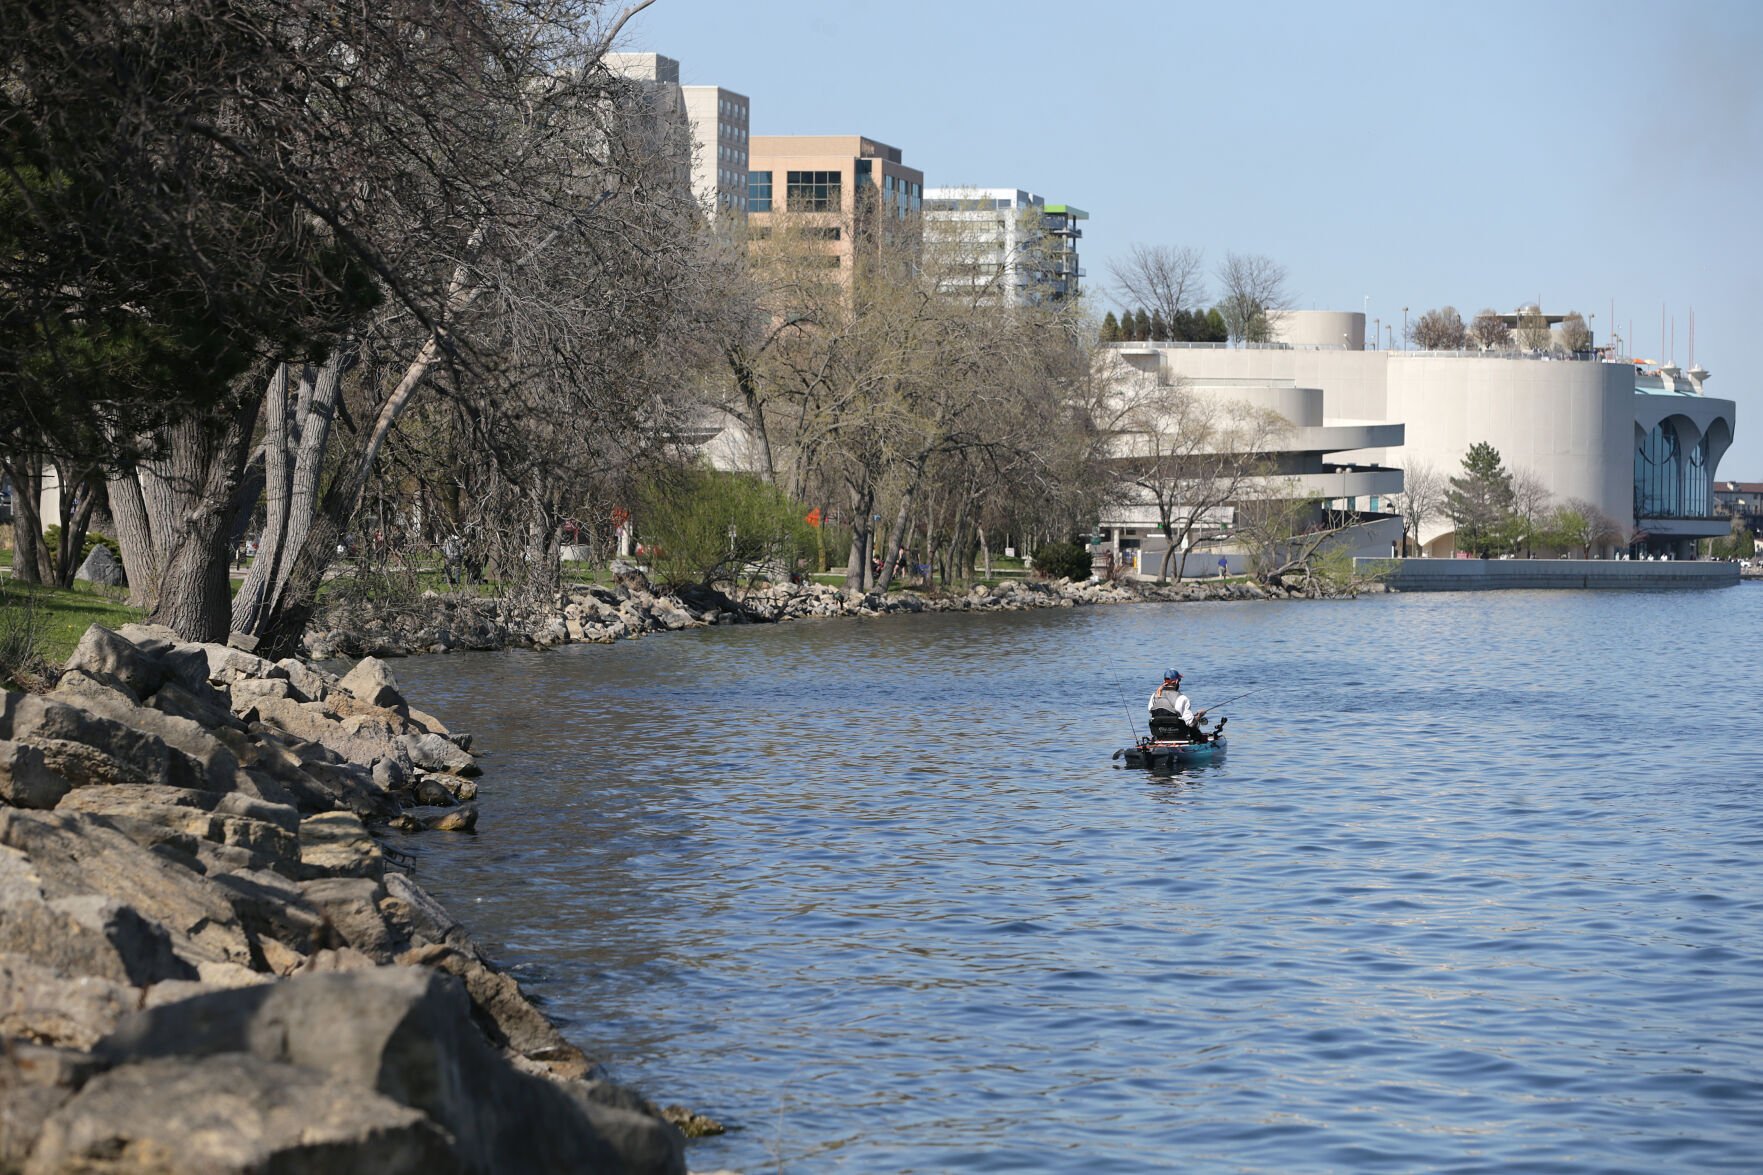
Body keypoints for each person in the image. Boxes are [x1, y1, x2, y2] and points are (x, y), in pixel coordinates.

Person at [1148, 669, 1209, 742]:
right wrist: (1199, 715)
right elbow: (1191, 723)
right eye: (1179, 680)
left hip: (1160, 737)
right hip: (1180, 738)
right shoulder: (1182, 698)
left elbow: (1155, 712)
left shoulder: (1154, 697)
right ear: (1176, 681)